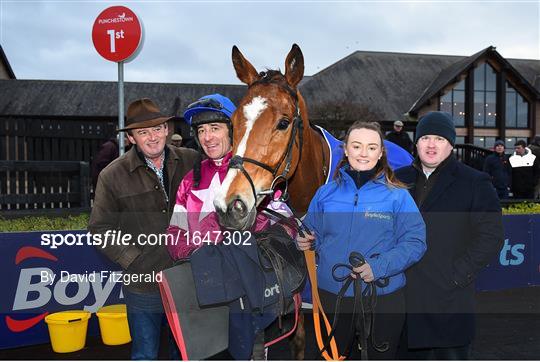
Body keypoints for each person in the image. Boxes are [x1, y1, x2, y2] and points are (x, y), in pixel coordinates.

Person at [166, 94, 293, 360]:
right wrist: (202, 251)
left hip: (254, 300)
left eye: (215, 128)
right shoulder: (190, 181)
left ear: (232, 131)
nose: (207, 137)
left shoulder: (257, 175)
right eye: (201, 130)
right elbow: (174, 236)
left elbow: (286, 228)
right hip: (208, 294)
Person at [296, 121, 426, 360]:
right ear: (345, 150)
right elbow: (311, 233)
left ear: (380, 153)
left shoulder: (397, 195)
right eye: (356, 146)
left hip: (382, 298)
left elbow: (416, 242)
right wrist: (305, 241)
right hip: (331, 297)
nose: (363, 153)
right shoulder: (325, 193)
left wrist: (377, 267)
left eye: (371, 147)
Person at [88, 98, 198, 360]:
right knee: (145, 353)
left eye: (157, 129)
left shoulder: (192, 160)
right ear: (131, 138)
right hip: (142, 285)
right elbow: (99, 228)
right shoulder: (112, 175)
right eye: (143, 132)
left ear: (167, 130)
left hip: (188, 278)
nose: (152, 137)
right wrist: (133, 260)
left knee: (186, 351)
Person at [395, 111, 504, 360]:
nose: (431, 144)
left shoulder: (475, 181)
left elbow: (491, 236)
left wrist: (456, 276)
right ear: (417, 143)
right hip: (402, 306)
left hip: (449, 303)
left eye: (440, 139)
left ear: (451, 144)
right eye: (425, 138)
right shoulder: (397, 180)